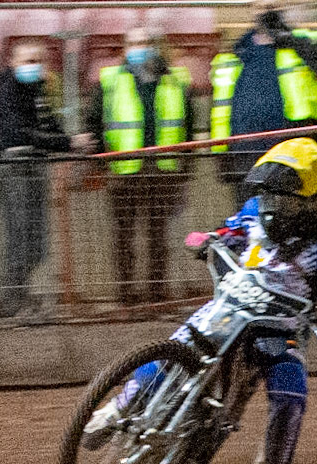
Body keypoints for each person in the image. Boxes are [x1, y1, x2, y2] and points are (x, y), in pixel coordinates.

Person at [87, 137, 317, 464]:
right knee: (176, 351)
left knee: (291, 392)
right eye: (269, 196)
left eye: (284, 199)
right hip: (229, 306)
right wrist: (211, 238)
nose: (272, 206)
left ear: (311, 200)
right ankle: (115, 410)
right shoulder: (256, 208)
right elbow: (232, 231)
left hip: (278, 328)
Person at [87, 27, 196, 305]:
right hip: (124, 171)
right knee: (123, 236)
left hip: (163, 169)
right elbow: (94, 121)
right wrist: (101, 162)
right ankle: (126, 295)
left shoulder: (176, 79)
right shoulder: (109, 80)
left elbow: (190, 126)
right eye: (135, 43)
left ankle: (156, 294)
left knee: (158, 235)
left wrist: (187, 166)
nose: (141, 48)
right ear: (125, 47)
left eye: (146, 43)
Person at [0, 40, 89, 320]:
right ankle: (10, 299)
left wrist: (73, 142)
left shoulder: (38, 91)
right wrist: (67, 142)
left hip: (34, 168)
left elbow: (48, 124)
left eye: (38, 61)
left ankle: (18, 295)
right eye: (27, 61)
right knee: (19, 237)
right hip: (13, 170)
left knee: (35, 242)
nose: (33, 66)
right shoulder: (5, 91)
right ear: (13, 62)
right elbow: (18, 134)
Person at [209, 0, 317, 185]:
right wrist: (221, 154)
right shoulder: (236, 53)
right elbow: (221, 109)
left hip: (294, 156)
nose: (266, 11)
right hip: (245, 157)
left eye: (272, 6)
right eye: (260, 6)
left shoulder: (306, 40)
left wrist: (287, 37)